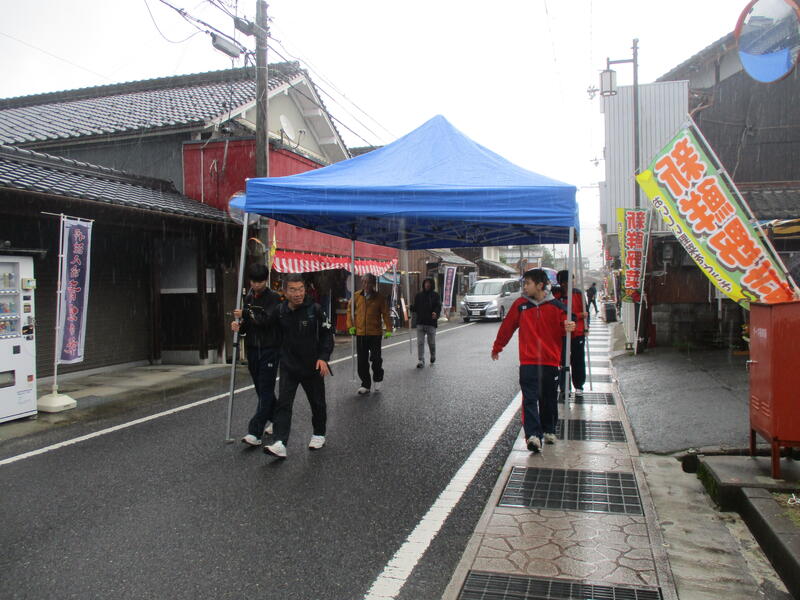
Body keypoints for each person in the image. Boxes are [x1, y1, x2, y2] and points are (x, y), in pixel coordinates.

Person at [491, 269, 575, 453]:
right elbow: (508, 327)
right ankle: (533, 436)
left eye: (528, 283)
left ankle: (549, 429)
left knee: (548, 398)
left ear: (540, 285)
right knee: (530, 398)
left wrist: (570, 327)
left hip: (551, 361)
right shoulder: (520, 305)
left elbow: (568, 330)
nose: (525, 287)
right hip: (528, 361)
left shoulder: (558, 307)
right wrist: (498, 346)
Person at [263, 274, 334, 459]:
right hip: (288, 366)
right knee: (283, 405)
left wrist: (323, 357)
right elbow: (264, 327)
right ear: (285, 292)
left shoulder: (315, 310)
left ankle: (319, 434)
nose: (298, 293)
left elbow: (327, 334)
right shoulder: (280, 311)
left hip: (313, 366)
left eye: (301, 289)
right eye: (293, 290)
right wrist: (243, 324)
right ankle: (280, 442)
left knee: (317, 403)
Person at [230, 263, 281, 447]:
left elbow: (266, 320)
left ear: (265, 280)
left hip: (269, 348)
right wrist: (239, 326)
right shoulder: (249, 297)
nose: (256, 285)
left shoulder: (274, 298)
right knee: (261, 389)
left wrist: (246, 313)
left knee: (266, 389)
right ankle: (278, 419)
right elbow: (248, 324)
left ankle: (255, 431)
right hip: (253, 347)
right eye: (253, 281)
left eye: (259, 282)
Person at [347, 273, 393, 395]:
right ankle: (365, 384)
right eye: (364, 282)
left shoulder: (380, 297)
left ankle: (377, 378)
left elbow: (386, 314)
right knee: (362, 361)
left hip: (375, 333)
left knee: (376, 358)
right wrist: (350, 326)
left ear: (373, 284)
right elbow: (349, 311)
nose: (366, 285)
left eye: (369, 282)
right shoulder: (356, 296)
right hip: (361, 333)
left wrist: (388, 329)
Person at [554, 270, 588, 398]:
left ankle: (579, 385)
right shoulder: (555, 294)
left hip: (577, 333)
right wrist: (579, 316)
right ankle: (564, 387)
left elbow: (585, 312)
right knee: (562, 361)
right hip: (561, 333)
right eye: (570, 280)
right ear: (563, 283)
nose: (573, 282)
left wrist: (586, 327)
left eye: (573, 280)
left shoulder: (578, 293)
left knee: (578, 360)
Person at [411, 277, 442, 368]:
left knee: (431, 342)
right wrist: (411, 307)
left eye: (429, 283)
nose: (427, 285)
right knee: (420, 342)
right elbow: (415, 308)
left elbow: (438, 306)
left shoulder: (435, 295)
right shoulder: (418, 296)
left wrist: (435, 313)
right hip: (420, 322)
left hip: (431, 323)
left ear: (432, 284)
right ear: (423, 284)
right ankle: (421, 360)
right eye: (425, 283)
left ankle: (433, 355)